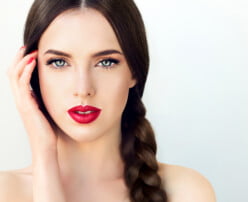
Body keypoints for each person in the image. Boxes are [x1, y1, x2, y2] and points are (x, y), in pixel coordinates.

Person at [1, 0, 216, 201]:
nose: (83, 89)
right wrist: (44, 154)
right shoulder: (6, 191)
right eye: (58, 62)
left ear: (134, 72)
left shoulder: (185, 190)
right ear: (31, 72)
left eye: (106, 62)